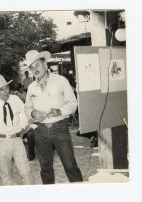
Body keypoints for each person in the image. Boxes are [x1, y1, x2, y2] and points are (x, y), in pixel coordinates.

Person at [24, 50, 83, 184]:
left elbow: (73, 104)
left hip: (59, 129)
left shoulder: (61, 81)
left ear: (44, 63)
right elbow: (27, 107)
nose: (35, 69)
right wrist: (33, 113)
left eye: (37, 65)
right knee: (45, 168)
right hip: (40, 132)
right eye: (32, 67)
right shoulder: (31, 87)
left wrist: (59, 111)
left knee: (70, 165)